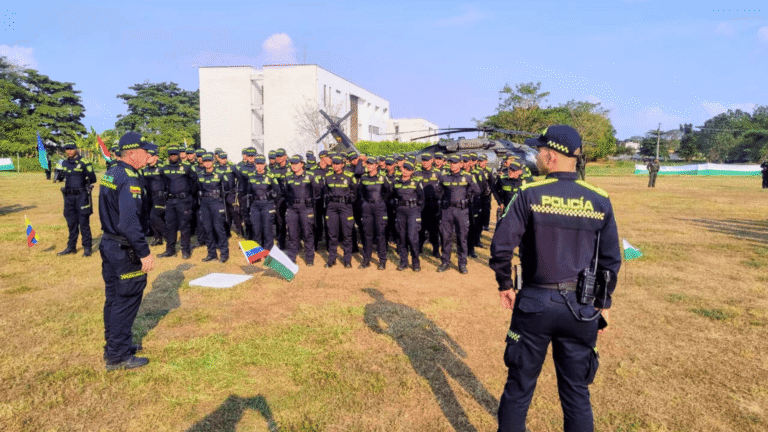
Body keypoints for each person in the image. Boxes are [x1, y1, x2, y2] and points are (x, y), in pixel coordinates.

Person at [489, 124, 621, 432]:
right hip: (582, 307)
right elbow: (611, 260)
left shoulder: (529, 193)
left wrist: (505, 284)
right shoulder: (599, 199)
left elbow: (501, 247)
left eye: (539, 151)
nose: (535, 157)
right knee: (576, 394)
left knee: (519, 389)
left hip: (534, 302)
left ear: (551, 158)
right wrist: (604, 303)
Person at [99, 132, 157, 371]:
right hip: (125, 248)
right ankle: (118, 356)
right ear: (132, 153)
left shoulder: (113, 172)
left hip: (109, 244)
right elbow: (129, 222)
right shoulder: (130, 178)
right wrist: (144, 252)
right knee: (126, 300)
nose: (149, 155)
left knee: (113, 299)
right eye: (145, 151)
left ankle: (114, 345)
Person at [438, 155, 480, 274]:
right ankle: (445, 262)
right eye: (451, 163)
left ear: (460, 164)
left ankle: (462, 264)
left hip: (462, 211)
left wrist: (467, 198)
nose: (452, 165)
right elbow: (438, 190)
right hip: (447, 211)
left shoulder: (467, 177)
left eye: (455, 163)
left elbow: (476, 190)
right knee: (445, 236)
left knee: (462, 237)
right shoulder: (444, 177)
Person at [57, 142, 97, 257]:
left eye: (71, 149)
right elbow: (59, 178)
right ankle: (71, 247)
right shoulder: (63, 163)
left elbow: (92, 178)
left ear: (76, 149)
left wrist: (85, 185)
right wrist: (58, 172)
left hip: (81, 196)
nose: (69, 151)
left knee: (84, 222)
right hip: (68, 196)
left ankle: (87, 248)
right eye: (67, 149)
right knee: (71, 223)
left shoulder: (84, 162)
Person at [158, 146, 197, 259]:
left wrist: (189, 195)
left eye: (175, 154)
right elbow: (163, 183)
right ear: (169, 156)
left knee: (184, 226)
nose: (173, 156)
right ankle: (170, 250)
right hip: (170, 201)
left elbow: (194, 182)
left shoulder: (187, 167)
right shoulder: (165, 168)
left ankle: (186, 250)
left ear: (179, 155)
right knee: (170, 226)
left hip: (184, 201)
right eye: (171, 155)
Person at [284, 155, 322, 266]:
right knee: (292, 234)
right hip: (292, 209)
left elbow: (317, 192)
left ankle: (309, 258)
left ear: (302, 164)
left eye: (296, 163)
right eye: (292, 164)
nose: (293, 166)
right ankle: (291, 257)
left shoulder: (310, 176)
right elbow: (286, 193)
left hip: (306, 208)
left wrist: (310, 203)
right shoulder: (288, 177)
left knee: (307, 233)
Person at [324, 155, 358, 268]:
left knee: (347, 234)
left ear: (343, 164)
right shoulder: (328, 176)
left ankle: (347, 260)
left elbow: (355, 192)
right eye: (333, 163)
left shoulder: (349, 176)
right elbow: (325, 190)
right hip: (332, 207)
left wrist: (350, 199)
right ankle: (331, 259)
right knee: (332, 234)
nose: (335, 165)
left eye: (338, 163)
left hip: (345, 207)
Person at [358, 157, 392, 269]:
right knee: (367, 235)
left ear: (376, 165)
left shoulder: (383, 178)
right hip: (367, 207)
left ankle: (382, 260)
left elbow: (388, 192)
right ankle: (366, 260)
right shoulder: (363, 178)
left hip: (379, 207)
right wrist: (364, 203)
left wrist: (381, 202)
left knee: (380, 234)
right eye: (367, 164)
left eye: (371, 164)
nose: (369, 166)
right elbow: (360, 193)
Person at [195, 153, 230, 262]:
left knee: (219, 228)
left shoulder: (220, 174)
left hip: (216, 202)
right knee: (207, 228)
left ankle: (224, 253)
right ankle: (212, 253)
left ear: (213, 161)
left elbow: (227, 188)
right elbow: (199, 188)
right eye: (205, 161)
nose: (207, 163)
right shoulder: (200, 175)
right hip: (205, 203)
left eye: (209, 161)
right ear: (203, 162)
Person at [392, 161, 424, 271]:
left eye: (408, 169)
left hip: (413, 212)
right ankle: (403, 261)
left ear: (412, 172)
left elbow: (421, 198)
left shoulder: (416, 182)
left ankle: (415, 262)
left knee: (412, 238)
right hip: (400, 212)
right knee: (401, 238)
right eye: (404, 168)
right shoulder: (396, 182)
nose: (405, 171)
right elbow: (392, 196)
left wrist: (417, 211)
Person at [248, 154, 280, 251]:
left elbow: (277, 190)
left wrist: (271, 198)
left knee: (267, 230)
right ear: (255, 164)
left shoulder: (270, 175)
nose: (259, 166)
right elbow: (248, 191)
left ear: (265, 164)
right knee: (256, 229)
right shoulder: (251, 176)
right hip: (255, 205)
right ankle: (257, 252)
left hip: (267, 204)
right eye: (257, 164)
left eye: (261, 164)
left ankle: (268, 251)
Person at [141, 149, 167, 246]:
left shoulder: (162, 168)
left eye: (150, 155)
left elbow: (168, 182)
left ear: (156, 157)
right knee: (150, 218)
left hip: (160, 196)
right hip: (148, 197)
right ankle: (157, 238)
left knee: (155, 217)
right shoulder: (145, 169)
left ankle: (167, 235)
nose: (148, 157)